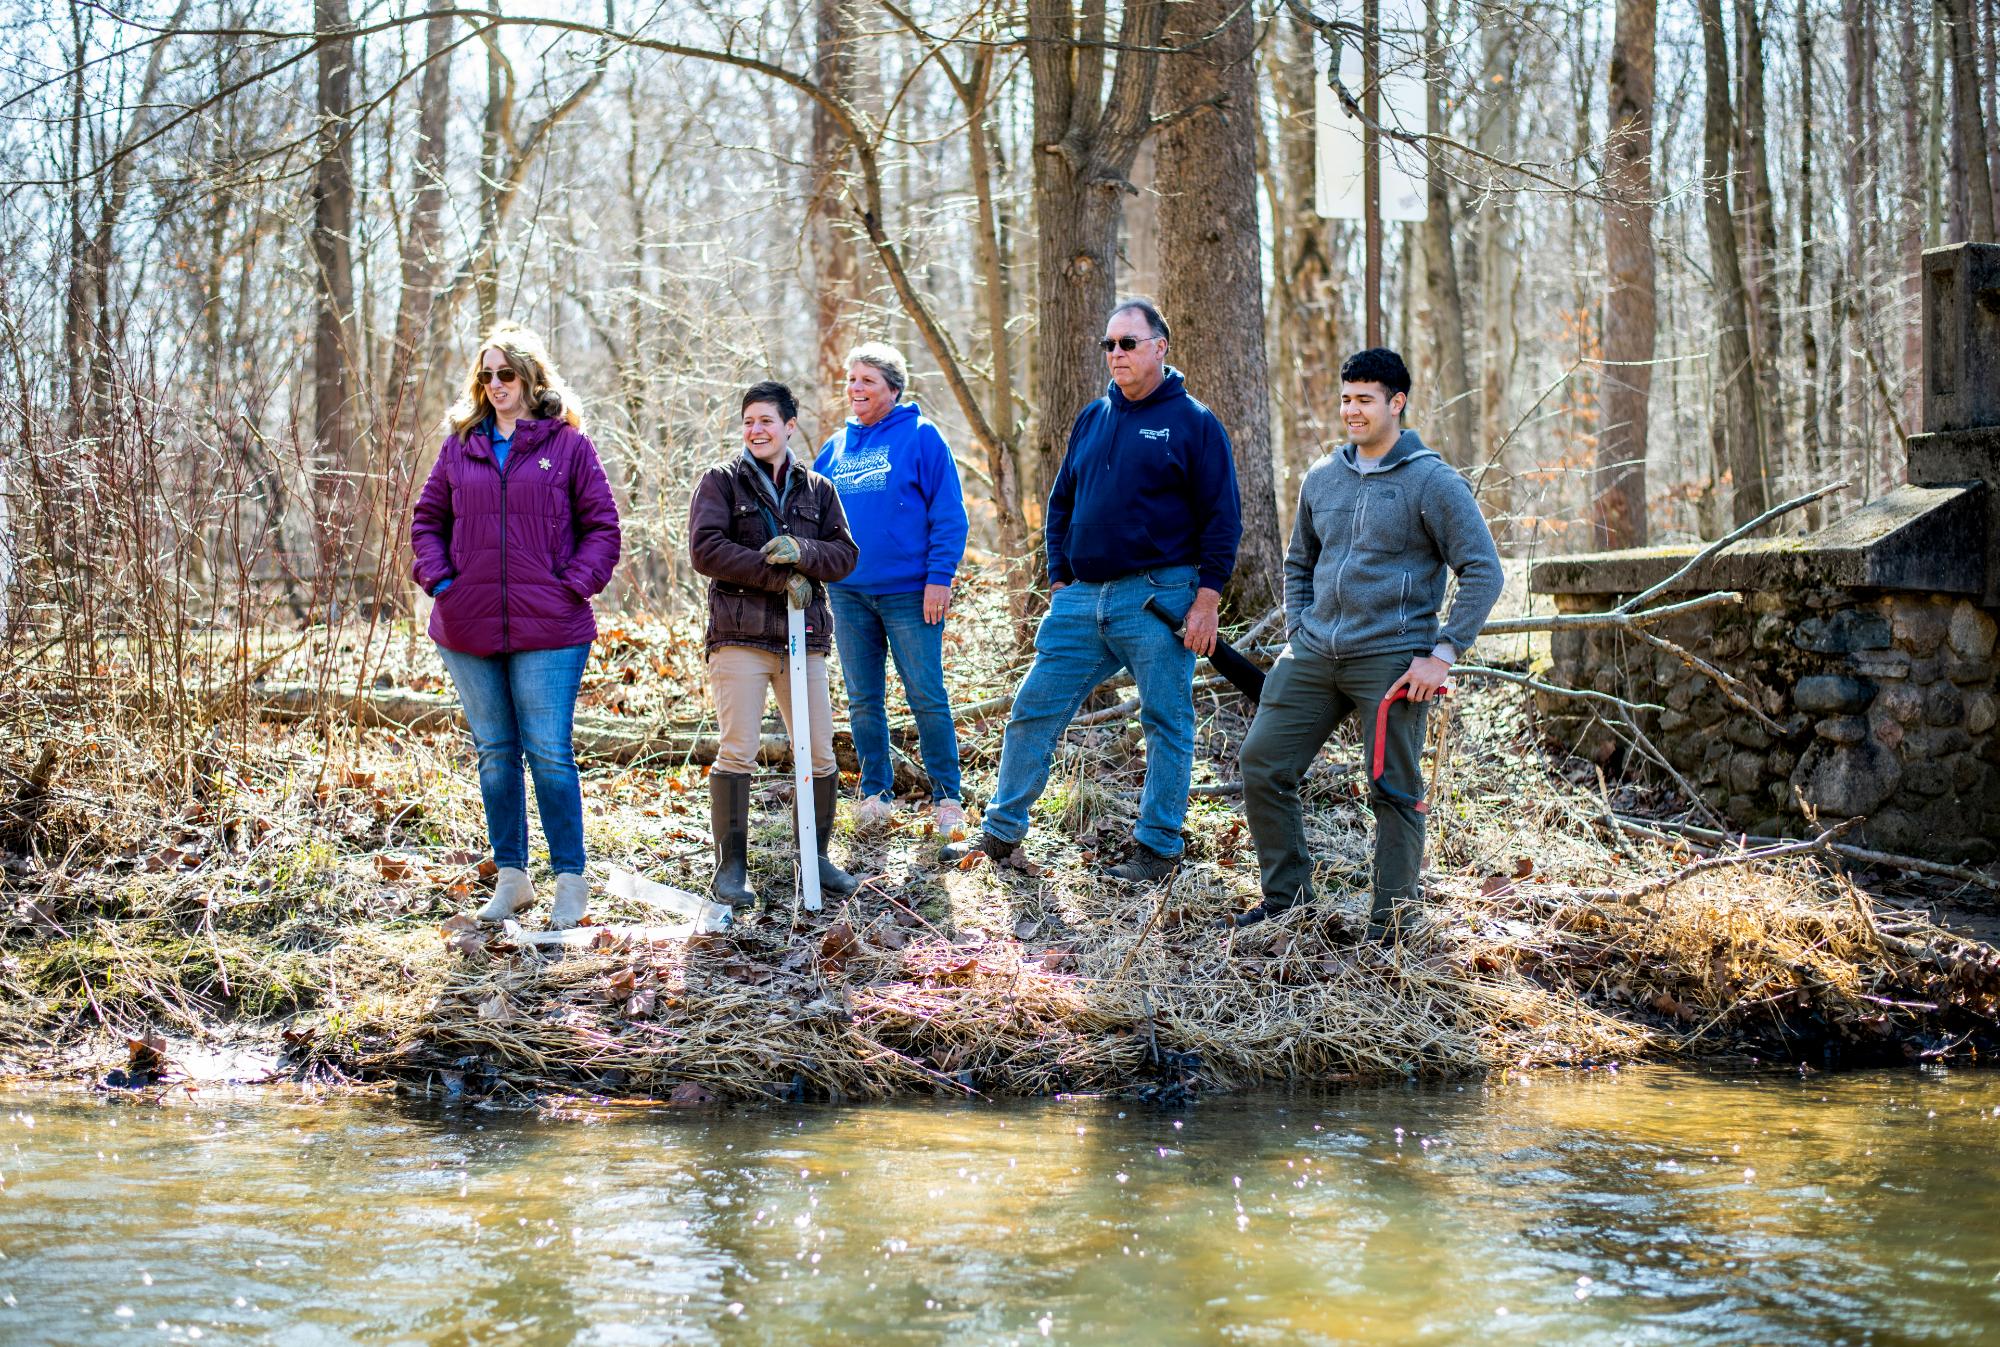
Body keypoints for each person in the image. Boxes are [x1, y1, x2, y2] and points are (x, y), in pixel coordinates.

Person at [942, 299, 1240, 881]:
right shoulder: (1092, 416)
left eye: (1128, 343)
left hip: (1158, 596)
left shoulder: (1194, 423)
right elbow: (1061, 502)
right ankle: (1001, 837)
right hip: (1081, 600)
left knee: (1167, 720)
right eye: (1109, 344)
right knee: (1032, 710)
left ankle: (1157, 849)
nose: (1116, 354)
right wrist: (1060, 578)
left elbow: (1222, 518)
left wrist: (1207, 598)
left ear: (1160, 347)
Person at [1232, 348, 1503, 938]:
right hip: (1313, 654)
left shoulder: (1433, 482)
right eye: (1346, 398)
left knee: (1393, 789)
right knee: (1262, 765)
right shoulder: (1323, 478)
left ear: (1396, 403)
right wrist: (1300, 626)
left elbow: (1483, 569)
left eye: (1365, 399)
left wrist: (1443, 653)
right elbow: (1299, 560)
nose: (1351, 410)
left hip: (1391, 661)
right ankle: (1287, 903)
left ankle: (1394, 924)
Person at [410, 324, 622, 930]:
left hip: (551, 628)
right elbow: (427, 521)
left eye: (506, 374)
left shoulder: (568, 445)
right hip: (467, 624)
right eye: (486, 375)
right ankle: (512, 878)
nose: (495, 385)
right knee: (496, 755)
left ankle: (571, 881)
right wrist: (443, 582)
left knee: (550, 753)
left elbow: (603, 527)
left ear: (531, 379)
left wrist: (570, 586)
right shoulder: (461, 445)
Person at [689, 380, 862, 908]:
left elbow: (844, 554)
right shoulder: (720, 482)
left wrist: (803, 552)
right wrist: (774, 574)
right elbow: (706, 550)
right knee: (738, 747)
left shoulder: (818, 490)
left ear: (790, 426)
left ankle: (815, 856)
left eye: (767, 420)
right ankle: (731, 868)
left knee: (820, 750)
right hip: (740, 636)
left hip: (803, 640)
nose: (756, 430)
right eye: (748, 421)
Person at [814, 343, 971, 835]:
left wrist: (939, 578)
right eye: (852, 379)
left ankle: (948, 799)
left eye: (867, 380)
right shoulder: (835, 448)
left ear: (893, 389)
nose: (855, 388)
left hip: (910, 593)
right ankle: (875, 794)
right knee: (864, 699)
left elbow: (949, 514)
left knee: (926, 695)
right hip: (849, 594)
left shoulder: (921, 437)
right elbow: (813, 514)